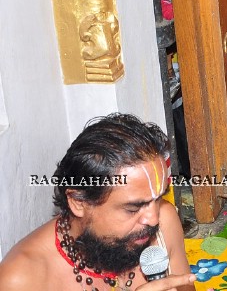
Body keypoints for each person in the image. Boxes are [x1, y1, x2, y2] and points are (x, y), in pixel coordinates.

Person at [0, 114, 196, 290]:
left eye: (158, 198)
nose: (153, 219)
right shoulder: (21, 280)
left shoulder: (165, 222)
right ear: (78, 202)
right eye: (132, 208)